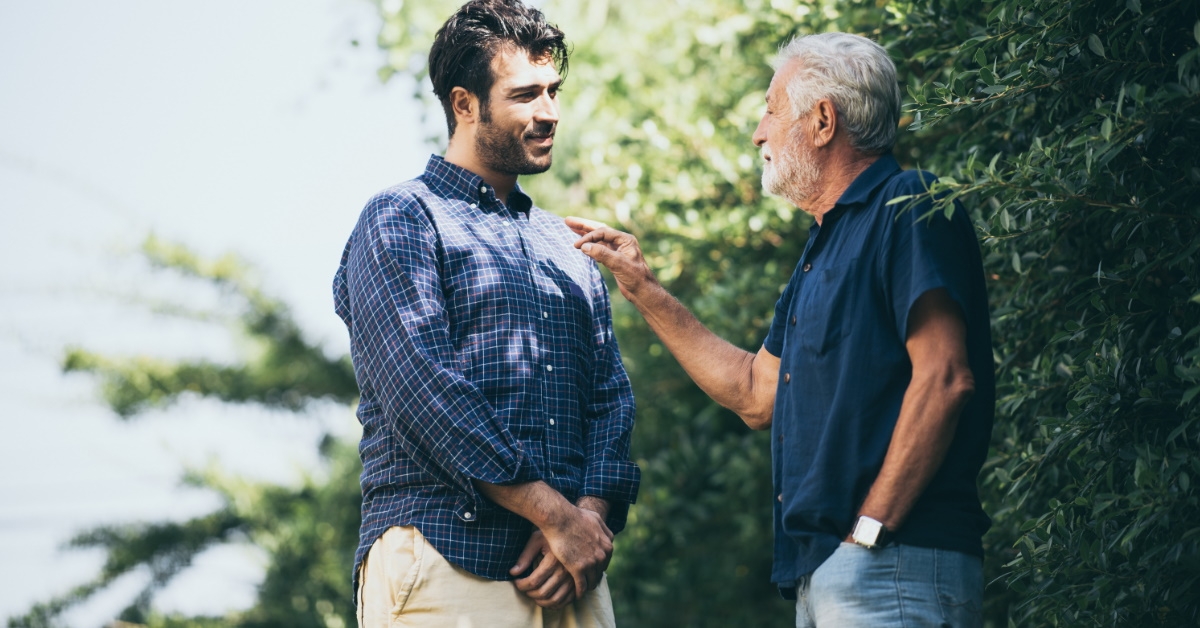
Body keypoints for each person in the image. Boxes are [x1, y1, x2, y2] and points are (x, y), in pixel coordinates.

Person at [568, 32, 994, 627]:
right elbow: (754, 392)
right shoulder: (820, 253)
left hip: (891, 562)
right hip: (826, 575)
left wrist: (867, 534)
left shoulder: (907, 204)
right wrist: (642, 287)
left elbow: (946, 378)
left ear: (823, 121)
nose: (758, 133)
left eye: (771, 109)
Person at [332, 1, 639, 626]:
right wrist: (554, 516)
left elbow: (610, 398)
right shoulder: (402, 219)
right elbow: (423, 389)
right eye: (525, 94)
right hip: (447, 560)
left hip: (569, 571)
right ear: (464, 104)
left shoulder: (568, 246)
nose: (549, 112)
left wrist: (589, 521)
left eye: (553, 91)